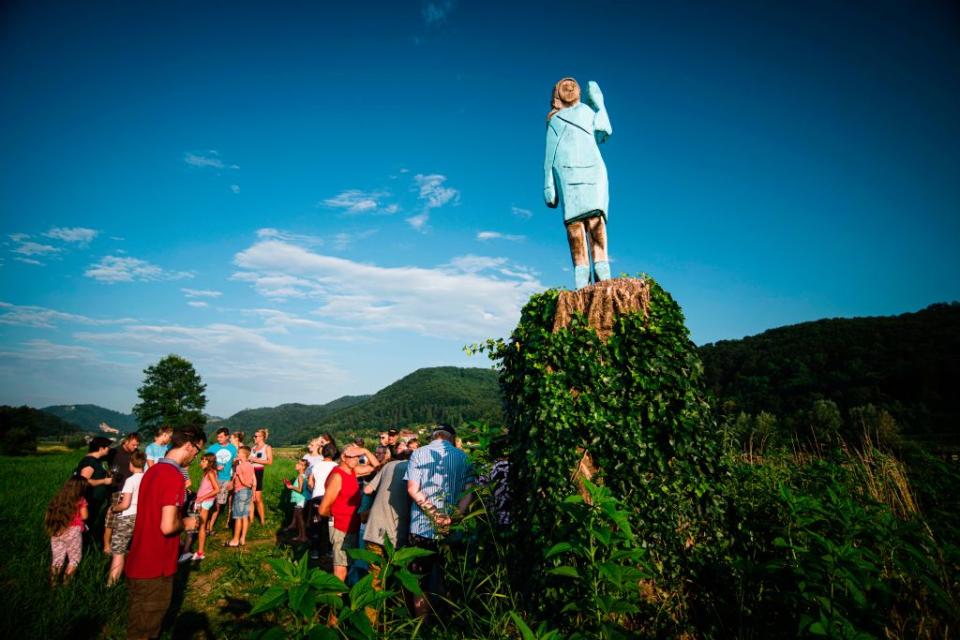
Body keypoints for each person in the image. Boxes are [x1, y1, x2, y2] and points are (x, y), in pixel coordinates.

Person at [124, 425, 206, 640]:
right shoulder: (173, 476)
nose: (196, 457)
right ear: (189, 445)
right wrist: (187, 523)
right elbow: (168, 526)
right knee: (146, 630)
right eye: (197, 451)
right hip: (155, 565)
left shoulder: (153, 471)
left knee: (137, 622)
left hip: (138, 558)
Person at [543, 77, 614, 289]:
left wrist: (599, 103)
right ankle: (580, 269)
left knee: (595, 220)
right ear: (557, 94)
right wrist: (548, 182)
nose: (569, 88)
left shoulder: (587, 112)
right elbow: (549, 156)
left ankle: (601, 264)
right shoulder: (554, 121)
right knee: (574, 225)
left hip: (593, 169)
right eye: (563, 86)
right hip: (566, 174)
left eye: (572, 85)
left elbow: (604, 130)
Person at [405, 424, 475, 618]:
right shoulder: (464, 457)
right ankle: (450, 622)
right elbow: (468, 494)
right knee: (450, 576)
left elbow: (412, 489)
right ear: (451, 438)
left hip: (421, 527)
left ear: (433, 436)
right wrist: (452, 518)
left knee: (420, 580)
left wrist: (435, 515)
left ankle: (422, 625)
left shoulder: (418, 453)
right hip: (452, 527)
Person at [318, 444, 380, 582]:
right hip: (341, 528)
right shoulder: (337, 477)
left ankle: (342, 595)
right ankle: (336, 600)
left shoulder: (352, 471)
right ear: (343, 457)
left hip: (351, 526)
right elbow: (323, 509)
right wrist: (335, 521)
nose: (357, 459)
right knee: (340, 568)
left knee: (348, 563)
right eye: (353, 456)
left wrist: (364, 450)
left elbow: (378, 468)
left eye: (359, 456)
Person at [107, 450, 146, 585]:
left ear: (131, 463)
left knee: (118, 551)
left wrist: (113, 508)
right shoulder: (147, 478)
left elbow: (125, 504)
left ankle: (111, 584)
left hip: (128, 517)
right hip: (142, 517)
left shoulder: (130, 480)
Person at [45, 476, 88, 586]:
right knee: (74, 559)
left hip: (57, 530)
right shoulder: (80, 500)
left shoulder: (58, 498)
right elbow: (84, 516)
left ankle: (53, 584)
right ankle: (66, 585)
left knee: (57, 559)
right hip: (73, 532)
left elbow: (48, 513)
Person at [104, 432, 141, 554]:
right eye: (133, 445)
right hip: (117, 489)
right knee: (112, 518)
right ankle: (106, 545)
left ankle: (124, 544)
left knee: (127, 517)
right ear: (126, 441)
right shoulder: (114, 452)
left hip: (131, 489)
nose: (135, 447)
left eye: (137, 445)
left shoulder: (135, 453)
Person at [74, 436, 113, 544]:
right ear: (101, 448)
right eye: (107, 447)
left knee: (90, 522)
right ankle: (82, 545)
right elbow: (84, 481)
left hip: (95, 498)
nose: (109, 449)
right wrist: (104, 481)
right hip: (90, 498)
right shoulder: (90, 462)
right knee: (86, 522)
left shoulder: (96, 460)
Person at [307, 442, 339, 560]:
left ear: (323, 452)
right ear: (334, 453)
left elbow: (310, 483)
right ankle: (330, 550)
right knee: (331, 524)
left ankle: (315, 551)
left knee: (316, 523)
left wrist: (313, 490)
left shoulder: (316, 465)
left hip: (317, 497)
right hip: (331, 500)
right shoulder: (336, 466)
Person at [204, 428, 237, 533]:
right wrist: (214, 467)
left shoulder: (233, 449)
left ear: (227, 437)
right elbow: (204, 463)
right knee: (208, 503)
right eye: (218, 437)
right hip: (213, 478)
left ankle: (210, 527)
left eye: (221, 437)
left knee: (218, 504)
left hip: (226, 479)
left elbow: (236, 466)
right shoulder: (212, 448)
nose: (219, 439)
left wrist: (232, 481)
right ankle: (203, 526)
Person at [226, 445, 256, 548]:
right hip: (248, 492)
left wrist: (245, 484)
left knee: (238, 517)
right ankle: (242, 539)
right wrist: (251, 488)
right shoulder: (250, 465)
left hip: (240, 492)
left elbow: (242, 480)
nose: (237, 454)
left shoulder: (239, 467)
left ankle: (235, 540)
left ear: (243, 454)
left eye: (238, 453)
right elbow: (252, 479)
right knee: (245, 516)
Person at [192, 453, 219, 560]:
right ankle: (196, 549)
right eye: (201, 460)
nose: (201, 462)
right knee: (198, 525)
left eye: (204, 461)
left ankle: (200, 552)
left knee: (201, 527)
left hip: (205, 502)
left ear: (210, 462)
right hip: (203, 501)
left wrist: (202, 498)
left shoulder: (210, 474)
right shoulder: (207, 473)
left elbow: (217, 489)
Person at [250, 429, 273, 526]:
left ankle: (262, 520)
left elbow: (270, 462)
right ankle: (250, 521)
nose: (254, 438)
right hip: (250, 471)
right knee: (251, 498)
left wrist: (255, 459)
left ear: (262, 437)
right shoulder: (253, 448)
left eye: (256, 436)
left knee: (258, 498)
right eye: (254, 436)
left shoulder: (267, 447)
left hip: (259, 471)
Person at [284, 459, 308, 542]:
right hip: (300, 500)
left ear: (303, 467)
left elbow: (300, 490)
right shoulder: (302, 476)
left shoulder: (301, 477)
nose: (296, 464)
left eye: (299, 464)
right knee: (299, 518)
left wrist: (291, 487)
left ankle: (303, 536)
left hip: (300, 500)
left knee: (300, 519)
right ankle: (301, 536)